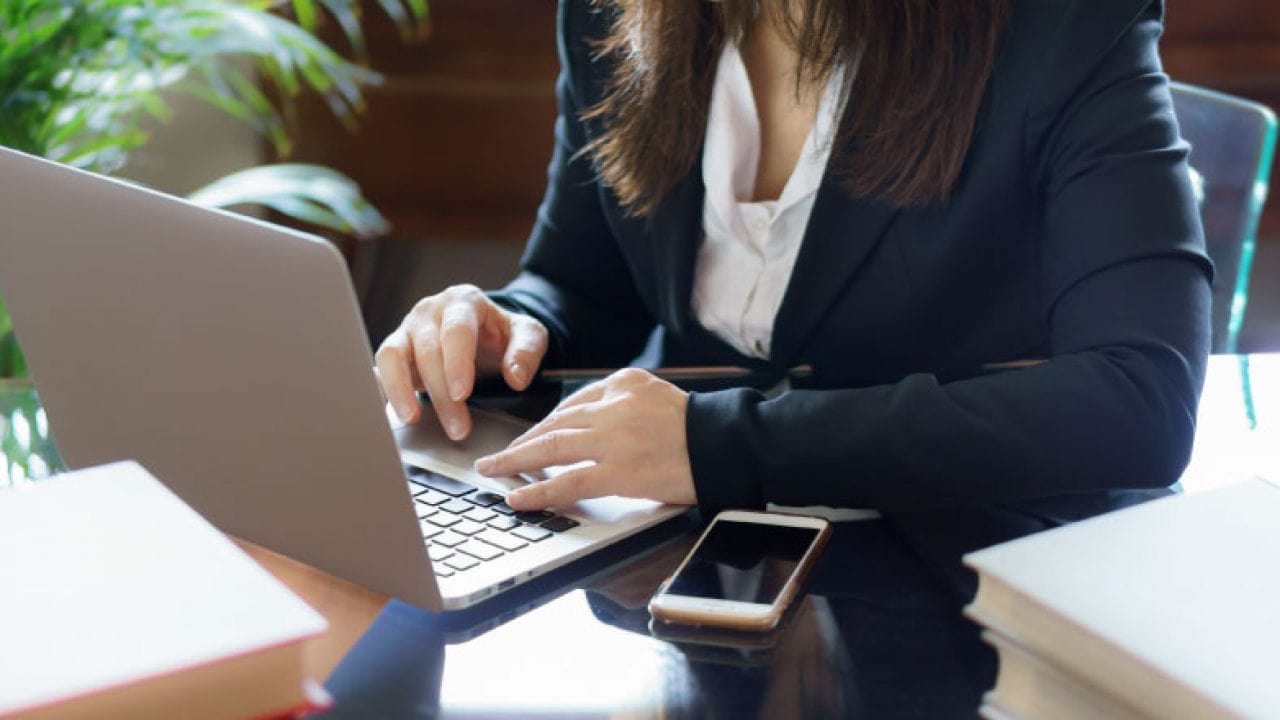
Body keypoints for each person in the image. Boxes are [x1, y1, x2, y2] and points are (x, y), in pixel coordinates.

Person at [376, 0, 1211, 541]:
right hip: (657, 541)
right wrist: (509, 330)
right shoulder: (615, 14)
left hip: (942, 566)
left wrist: (725, 443)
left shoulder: (1060, 24)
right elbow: (583, 284)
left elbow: (1142, 399)